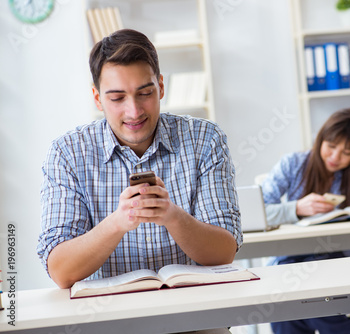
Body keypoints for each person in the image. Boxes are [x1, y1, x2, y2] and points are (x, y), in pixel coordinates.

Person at [37, 29, 240, 334]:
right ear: (97, 98)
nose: (133, 111)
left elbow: (225, 251)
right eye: (117, 97)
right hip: (109, 325)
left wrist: (172, 216)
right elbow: (61, 271)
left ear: (160, 86)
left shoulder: (205, 139)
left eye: (145, 93)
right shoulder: (67, 153)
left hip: (196, 319)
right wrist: (118, 222)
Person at [260, 108, 350, 334]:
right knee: (293, 294)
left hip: (339, 259)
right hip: (292, 258)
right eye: (331, 146)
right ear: (320, 140)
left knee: (294, 305)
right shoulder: (293, 164)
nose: (336, 157)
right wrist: (296, 208)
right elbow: (257, 213)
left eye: (347, 152)